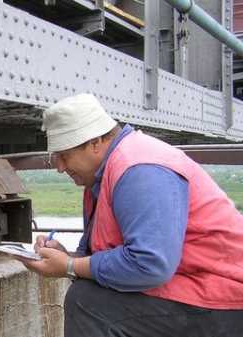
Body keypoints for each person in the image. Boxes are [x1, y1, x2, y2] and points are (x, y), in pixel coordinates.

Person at [15, 93, 243, 337]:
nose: (60, 167)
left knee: (87, 302)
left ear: (95, 143)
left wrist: (70, 266)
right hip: (191, 285)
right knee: (89, 291)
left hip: (222, 298)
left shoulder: (140, 169)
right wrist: (65, 255)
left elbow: (151, 264)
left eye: (64, 155)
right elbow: (105, 254)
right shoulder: (102, 175)